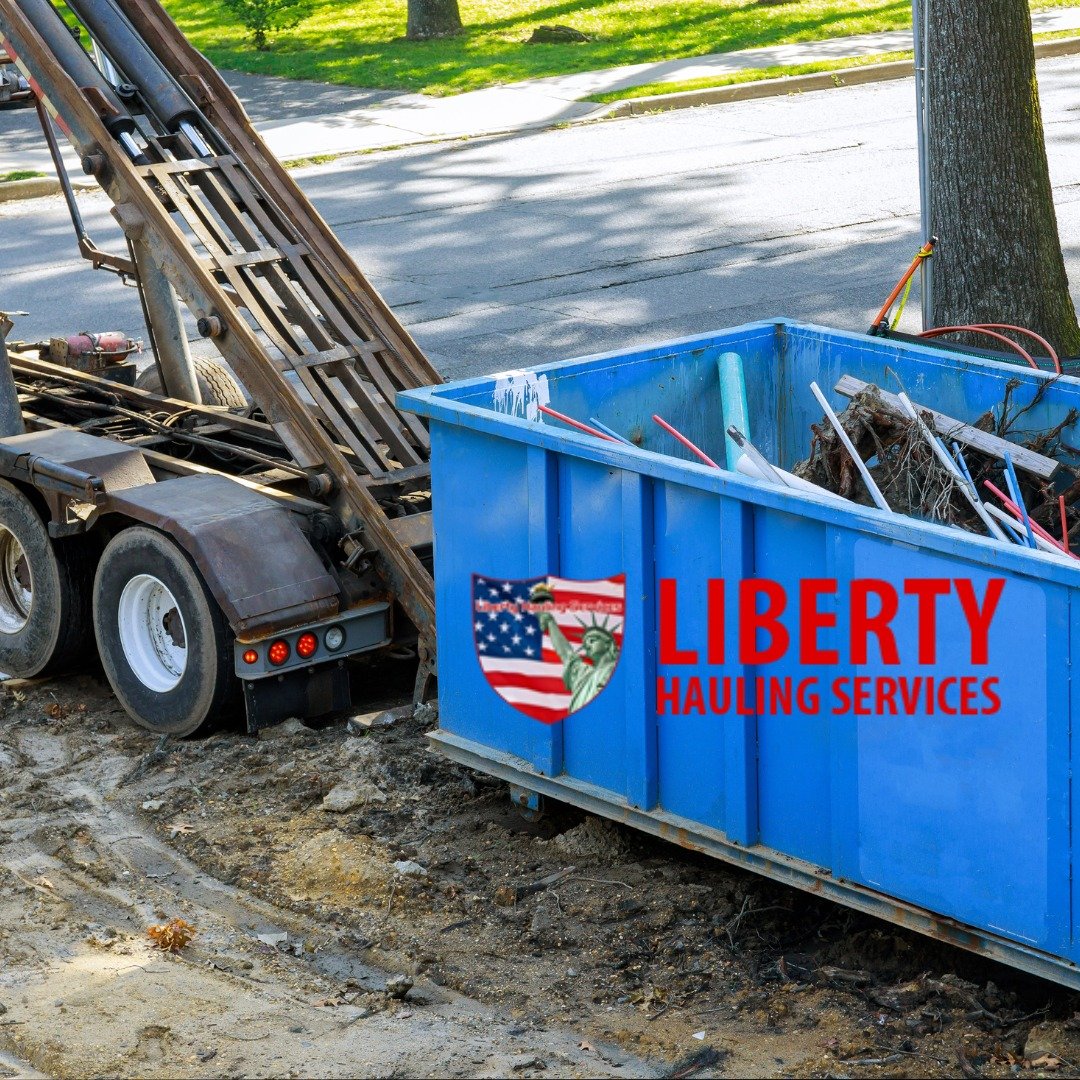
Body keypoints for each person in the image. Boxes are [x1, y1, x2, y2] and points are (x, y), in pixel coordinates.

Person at [537, 610, 620, 713]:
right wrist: (550, 622)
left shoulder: (619, 670)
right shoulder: (583, 674)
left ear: (607, 643)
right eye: (585, 644)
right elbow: (566, 653)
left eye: (592, 640)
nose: (588, 645)